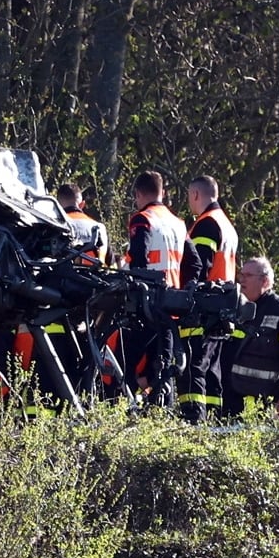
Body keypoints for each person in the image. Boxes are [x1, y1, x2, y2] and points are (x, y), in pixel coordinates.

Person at [119, 171, 189, 408]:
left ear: (139, 194)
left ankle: (124, 409)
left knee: (127, 360)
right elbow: (196, 262)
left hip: (145, 303)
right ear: (163, 192)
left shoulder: (143, 218)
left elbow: (139, 260)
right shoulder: (178, 223)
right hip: (171, 304)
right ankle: (163, 411)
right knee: (163, 363)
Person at [178, 177, 240, 419]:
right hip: (222, 308)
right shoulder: (226, 224)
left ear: (195, 194)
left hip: (203, 307)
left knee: (194, 369)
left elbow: (199, 266)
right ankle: (214, 419)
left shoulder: (206, 224)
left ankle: (194, 420)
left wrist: (185, 295)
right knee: (213, 370)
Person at [220, 256, 279, 419]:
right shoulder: (235, 310)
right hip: (232, 405)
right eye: (241, 275)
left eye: (248, 276)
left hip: (266, 409)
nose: (241, 280)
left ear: (265, 281)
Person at [54, 183, 108, 265]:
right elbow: (110, 263)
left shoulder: (52, 227)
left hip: (56, 275)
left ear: (56, 206)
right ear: (82, 204)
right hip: (93, 275)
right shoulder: (99, 228)